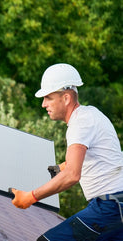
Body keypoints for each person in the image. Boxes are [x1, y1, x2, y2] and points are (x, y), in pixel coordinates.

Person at [10, 63, 123, 240]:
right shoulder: (89, 115)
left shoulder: (80, 123)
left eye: (48, 97)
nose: (43, 104)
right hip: (115, 206)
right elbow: (84, 163)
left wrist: (30, 197)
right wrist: (55, 170)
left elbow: (72, 175)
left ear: (66, 98)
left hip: (110, 207)